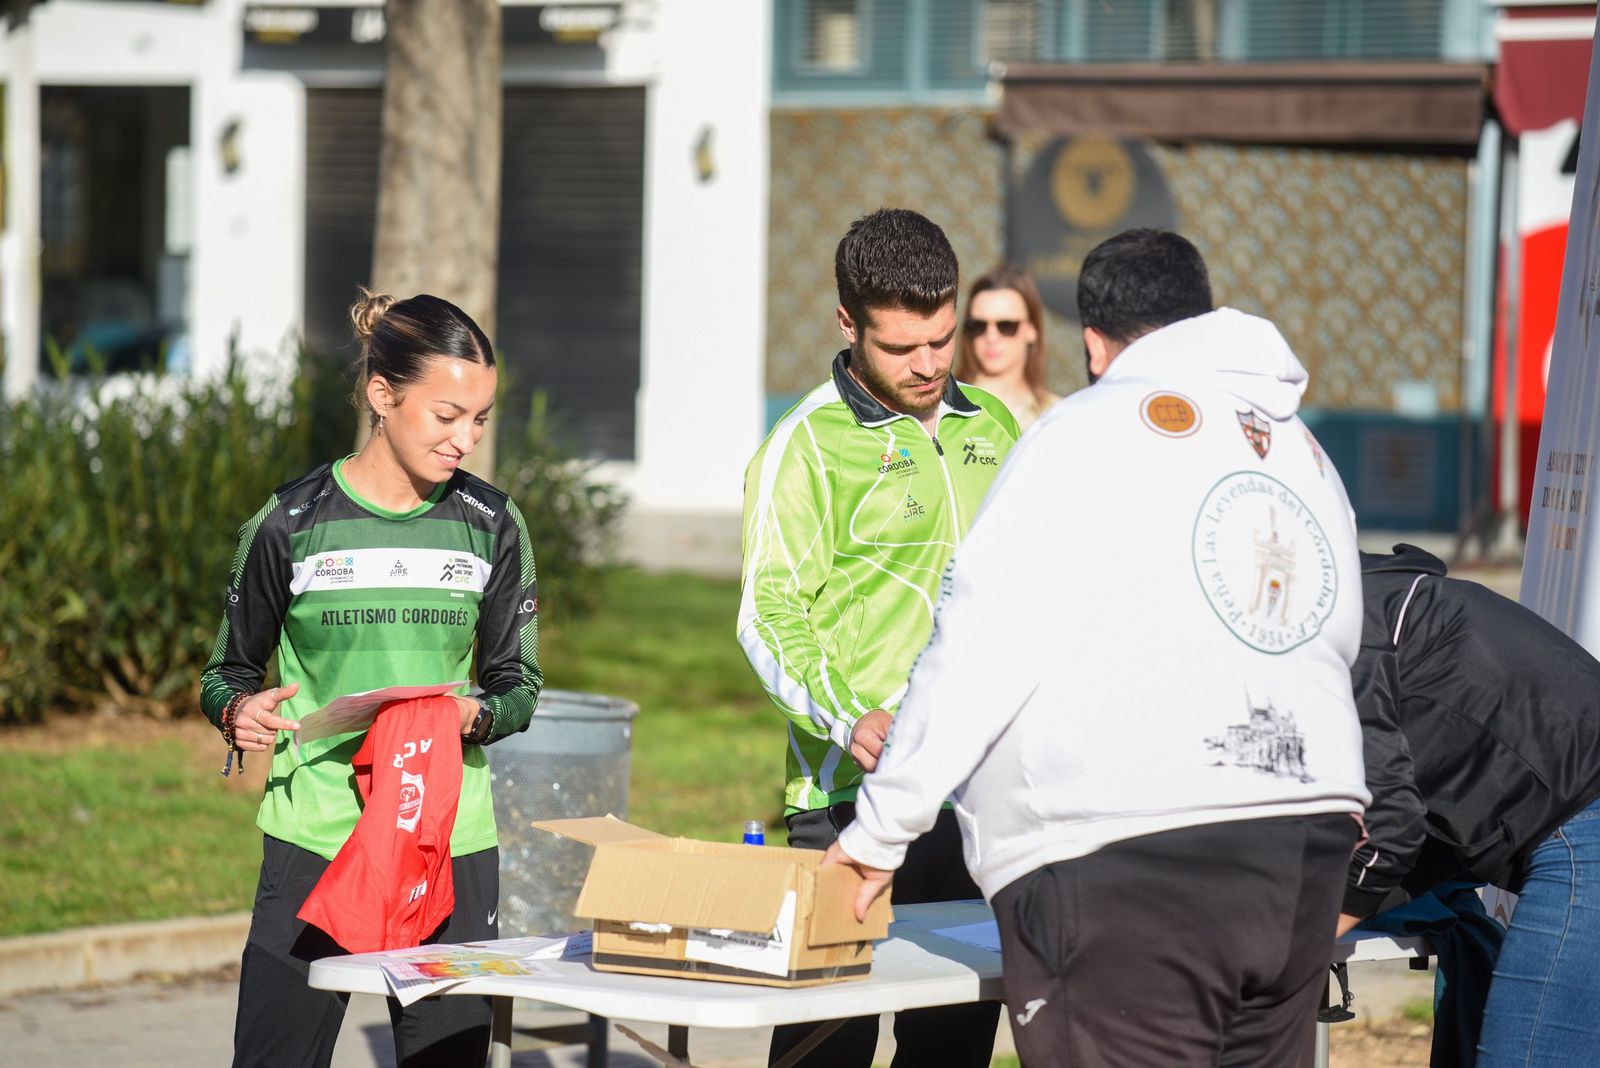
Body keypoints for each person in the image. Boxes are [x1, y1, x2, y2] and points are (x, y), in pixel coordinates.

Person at [824, 228, 1370, 1067]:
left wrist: (878, 834)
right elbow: (1333, 632)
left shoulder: (1084, 431)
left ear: (1090, 343)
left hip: (1129, 864)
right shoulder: (1303, 450)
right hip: (1306, 840)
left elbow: (983, 640)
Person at [199, 289, 543, 1068]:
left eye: (481, 418)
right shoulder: (288, 523)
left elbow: (518, 684)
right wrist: (240, 715)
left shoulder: (493, 524)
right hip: (316, 836)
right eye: (447, 415)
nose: (467, 439)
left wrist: (470, 718)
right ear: (382, 396)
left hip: (445, 838)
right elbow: (225, 674)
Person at [738, 207, 1018, 1067]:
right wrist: (847, 716)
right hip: (844, 800)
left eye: (942, 338)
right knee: (827, 1050)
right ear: (848, 324)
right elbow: (768, 614)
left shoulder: (997, 432)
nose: (930, 364)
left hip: (972, 806)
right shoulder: (805, 446)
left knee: (952, 1048)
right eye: (902, 348)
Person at [1339, 543, 1600, 1065]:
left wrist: (1298, 949)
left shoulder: (1336, 631)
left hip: (1581, 812)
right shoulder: (1353, 597)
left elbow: (1390, 829)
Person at [952, 264, 1060, 431]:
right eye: (978, 325)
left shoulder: (1057, 413)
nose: (991, 337)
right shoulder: (946, 409)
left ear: (1032, 329)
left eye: (1006, 326)